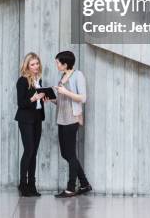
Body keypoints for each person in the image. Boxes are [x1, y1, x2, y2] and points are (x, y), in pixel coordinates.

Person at [53, 51, 92, 197]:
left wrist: (65, 91)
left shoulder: (78, 75)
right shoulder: (62, 76)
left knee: (70, 154)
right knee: (66, 153)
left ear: (65, 63)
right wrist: (52, 99)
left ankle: (70, 187)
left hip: (72, 118)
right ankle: (84, 184)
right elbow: (62, 99)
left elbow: (83, 98)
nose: (56, 65)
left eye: (57, 62)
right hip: (61, 118)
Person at [14, 52, 46, 197]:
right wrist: (33, 99)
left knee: (34, 152)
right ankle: (23, 184)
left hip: (37, 118)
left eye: (37, 63)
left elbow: (37, 100)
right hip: (25, 119)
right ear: (27, 66)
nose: (35, 66)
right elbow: (21, 103)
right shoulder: (22, 81)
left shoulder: (39, 79)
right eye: (32, 64)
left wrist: (42, 99)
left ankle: (32, 185)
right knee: (29, 151)